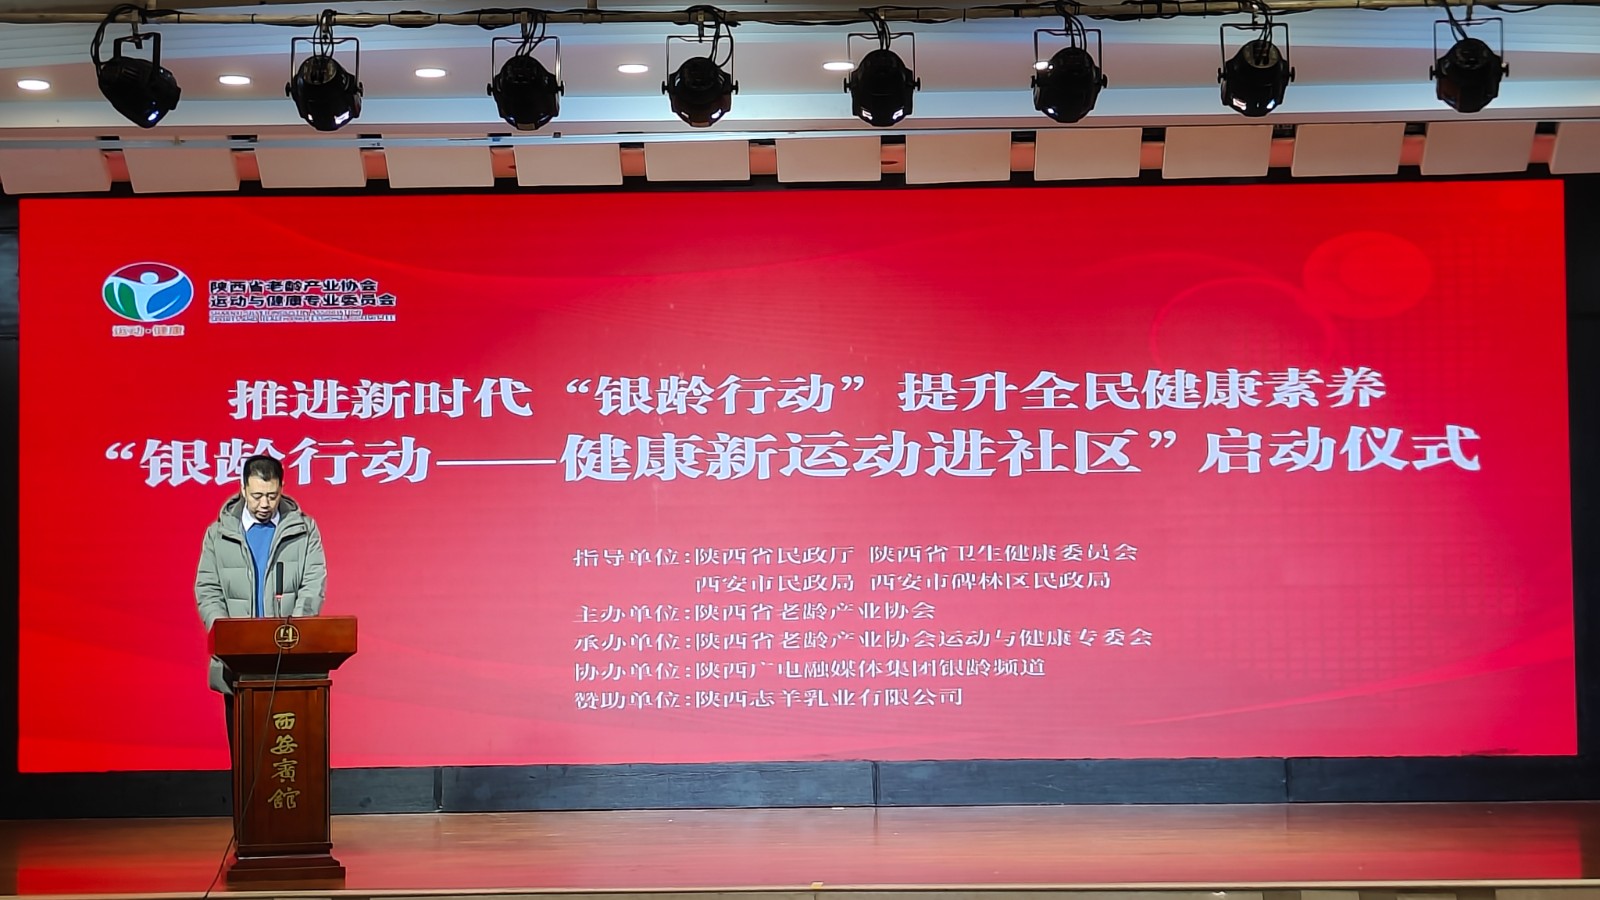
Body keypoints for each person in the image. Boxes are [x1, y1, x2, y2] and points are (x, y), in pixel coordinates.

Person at [195, 454, 328, 751]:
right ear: (243, 489)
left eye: (272, 495)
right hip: (238, 663)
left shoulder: (304, 530)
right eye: (257, 496)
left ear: (281, 489)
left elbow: (313, 585)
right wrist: (226, 635)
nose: (265, 504)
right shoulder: (219, 533)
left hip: (287, 661)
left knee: (286, 755)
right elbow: (207, 589)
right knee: (245, 754)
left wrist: (293, 635)